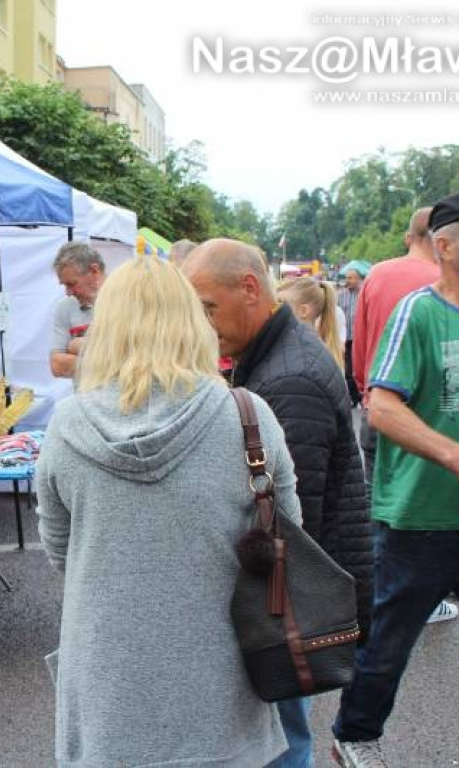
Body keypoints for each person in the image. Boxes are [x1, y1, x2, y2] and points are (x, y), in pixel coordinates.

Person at [37, 255, 300, 767]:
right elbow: (287, 534)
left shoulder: (67, 425)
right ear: (192, 322)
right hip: (223, 689)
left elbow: (60, 549)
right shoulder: (248, 417)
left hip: (108, 691)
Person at [183, 239, 372, 768]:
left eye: (208, 307)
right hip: (289, 598)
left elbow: (287, 521)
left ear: (249, 288)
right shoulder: (278, 356)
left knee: (281, 744)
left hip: (285, 604)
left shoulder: (288, 377)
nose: (202, 324)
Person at [331, 194, 459, 767]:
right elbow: (381, 407)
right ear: (445, 246)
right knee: (389, 641)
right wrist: (452, 454)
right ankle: (354, 735)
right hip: (419, 515)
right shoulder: (419, 312)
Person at [49, 242, 105, 379]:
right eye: (64, 285)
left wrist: (76, 346)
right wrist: (107, 357)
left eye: (71, 284)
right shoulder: (65, 307)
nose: (68, 292)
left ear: (95, 272)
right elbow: (57, 365)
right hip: (84, 393)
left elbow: (137, 360)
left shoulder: (128, 301)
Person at [277, 277, 345, 369]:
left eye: (280, 303)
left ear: (303, 311)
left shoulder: (303, 356)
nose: (275, 309)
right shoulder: (314, 350)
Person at [338, 261, 368, 405]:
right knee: (348, 369)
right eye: (346, 278)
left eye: (350, 278)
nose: (347, 280)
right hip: (346, 339)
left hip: (360, 339)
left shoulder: (364, 294)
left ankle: (362, 395)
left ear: (358, 279)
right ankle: (353, 397)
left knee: (361, 367)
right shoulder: (340, 296)